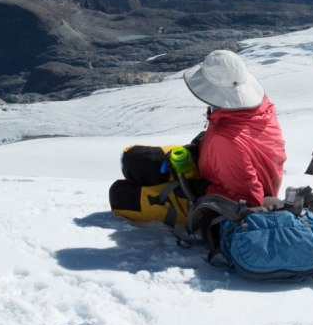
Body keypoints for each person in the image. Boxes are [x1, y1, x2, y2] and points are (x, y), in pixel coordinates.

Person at [110, 49, 287, 222]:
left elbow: (248, 200)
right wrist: (201, 147)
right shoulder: (262, 107)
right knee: (133, 158)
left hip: (219, 201)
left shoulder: (225, 139)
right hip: (218, 166)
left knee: (120, 195)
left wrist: (201, 188)